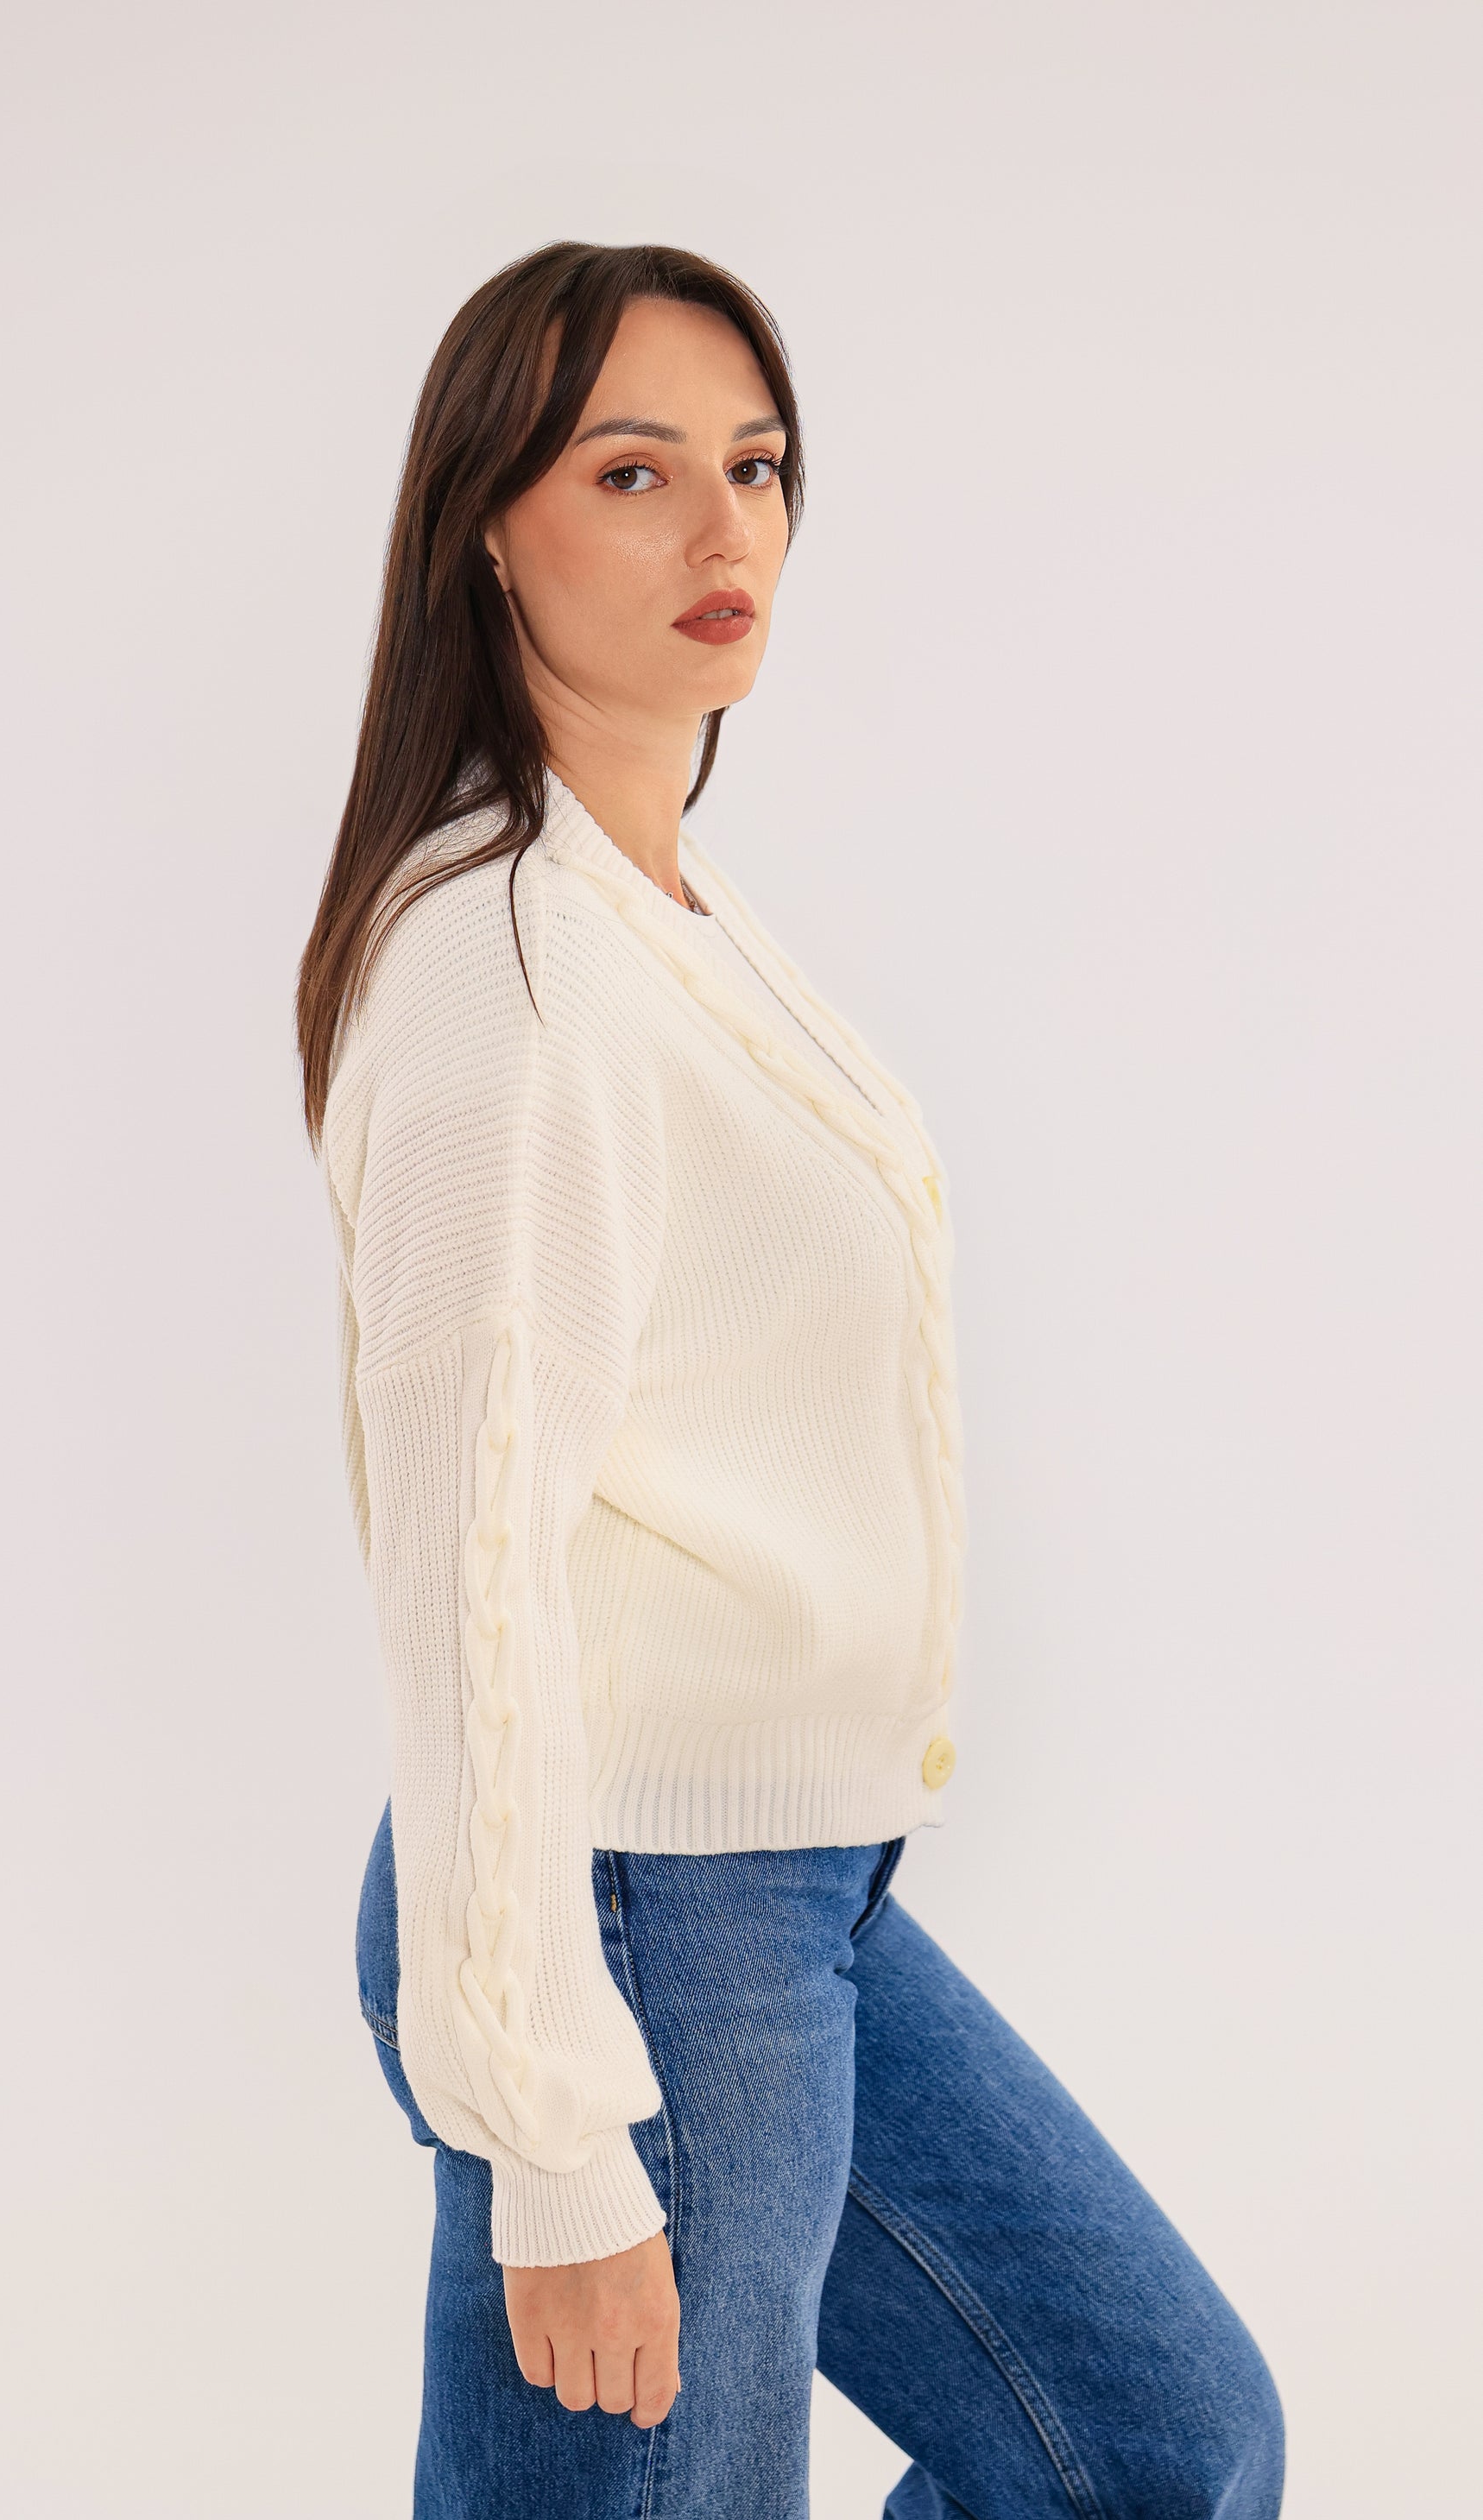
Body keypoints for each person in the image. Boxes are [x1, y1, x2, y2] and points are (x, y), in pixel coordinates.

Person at [295, 242, 1284, 2520]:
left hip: (788, 1894)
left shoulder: (664, 914)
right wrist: (555, 2131)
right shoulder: (510, 976)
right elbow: (468, 1576)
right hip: (627, 1918)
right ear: (485, 528)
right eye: (631, 474)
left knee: (1156, 2442)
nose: (721, 529)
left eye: (753, 468)